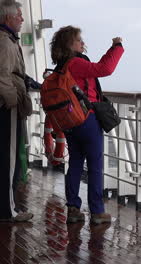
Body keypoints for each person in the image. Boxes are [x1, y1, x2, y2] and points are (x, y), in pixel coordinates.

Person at [49, 26, 124, 224]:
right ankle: (97, 211)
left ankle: (73, 208)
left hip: (70, 121)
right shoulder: (75, 63)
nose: (83, 43)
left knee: (74, 162)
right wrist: (117, 47)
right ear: (69, 44)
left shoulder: (62, 66)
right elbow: (104, 69)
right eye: (78, 40)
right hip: (86, 119)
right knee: (95, 164)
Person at [0, 0, 33, 222]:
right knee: (8, 159)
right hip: (7, 108)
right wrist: (12, 101)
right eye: (19, 15)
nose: (22, 19)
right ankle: (7, 211)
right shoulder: (4, 42)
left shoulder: (7, 40)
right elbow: (2, 75)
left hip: (7, 105)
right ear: (7, 18)